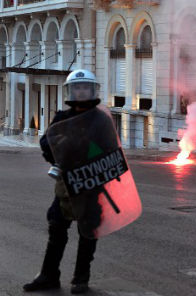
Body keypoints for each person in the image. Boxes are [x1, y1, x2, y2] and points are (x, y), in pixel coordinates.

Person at [24, 70, 103, 294]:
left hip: (90, 185)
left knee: (87, 232)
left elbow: (108, 149)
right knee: (56, 227)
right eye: (77, 87)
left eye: (85, 87)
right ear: (71, 91)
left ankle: (81, 278)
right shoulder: (62, 118)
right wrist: (59, 152)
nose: (81, 91)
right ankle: (49, 275)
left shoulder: (100, 120)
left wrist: (87, 149)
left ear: (92, 90)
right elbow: (46, 142)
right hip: (66, 185)